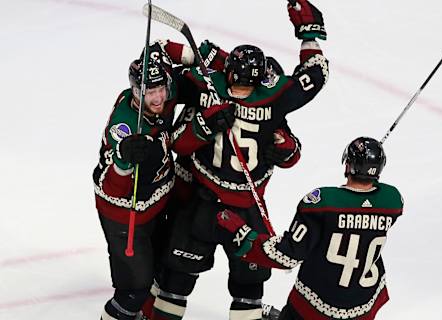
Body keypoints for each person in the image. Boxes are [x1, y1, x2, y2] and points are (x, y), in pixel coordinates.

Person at [150, 1, 330, 319]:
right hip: (244, 207)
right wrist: (309, 33)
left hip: (205, 205)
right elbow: (315, 75)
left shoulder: (208, 86)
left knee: (179, 281)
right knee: (246, 288)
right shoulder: (274, 97)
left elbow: (167, 62)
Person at [217, 137, 404, 320]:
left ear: (347, 165)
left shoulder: (323, 203)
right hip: (361, 306)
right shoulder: (392, 201)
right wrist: (368, 170)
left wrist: (243, 234)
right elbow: (370, 200)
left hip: (315, 307)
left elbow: (288, 256)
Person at [93, 39, 195, 320]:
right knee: (133, 290)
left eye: (161, 89)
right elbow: (114, 185)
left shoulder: (164, 93)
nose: (158, 98)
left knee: (160, 270)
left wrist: (185, 54)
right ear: (136, 91)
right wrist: (125, 158)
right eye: (150, 92)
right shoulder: (125, 125)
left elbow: (157, 47)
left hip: (156, 206)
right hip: (124, 216)